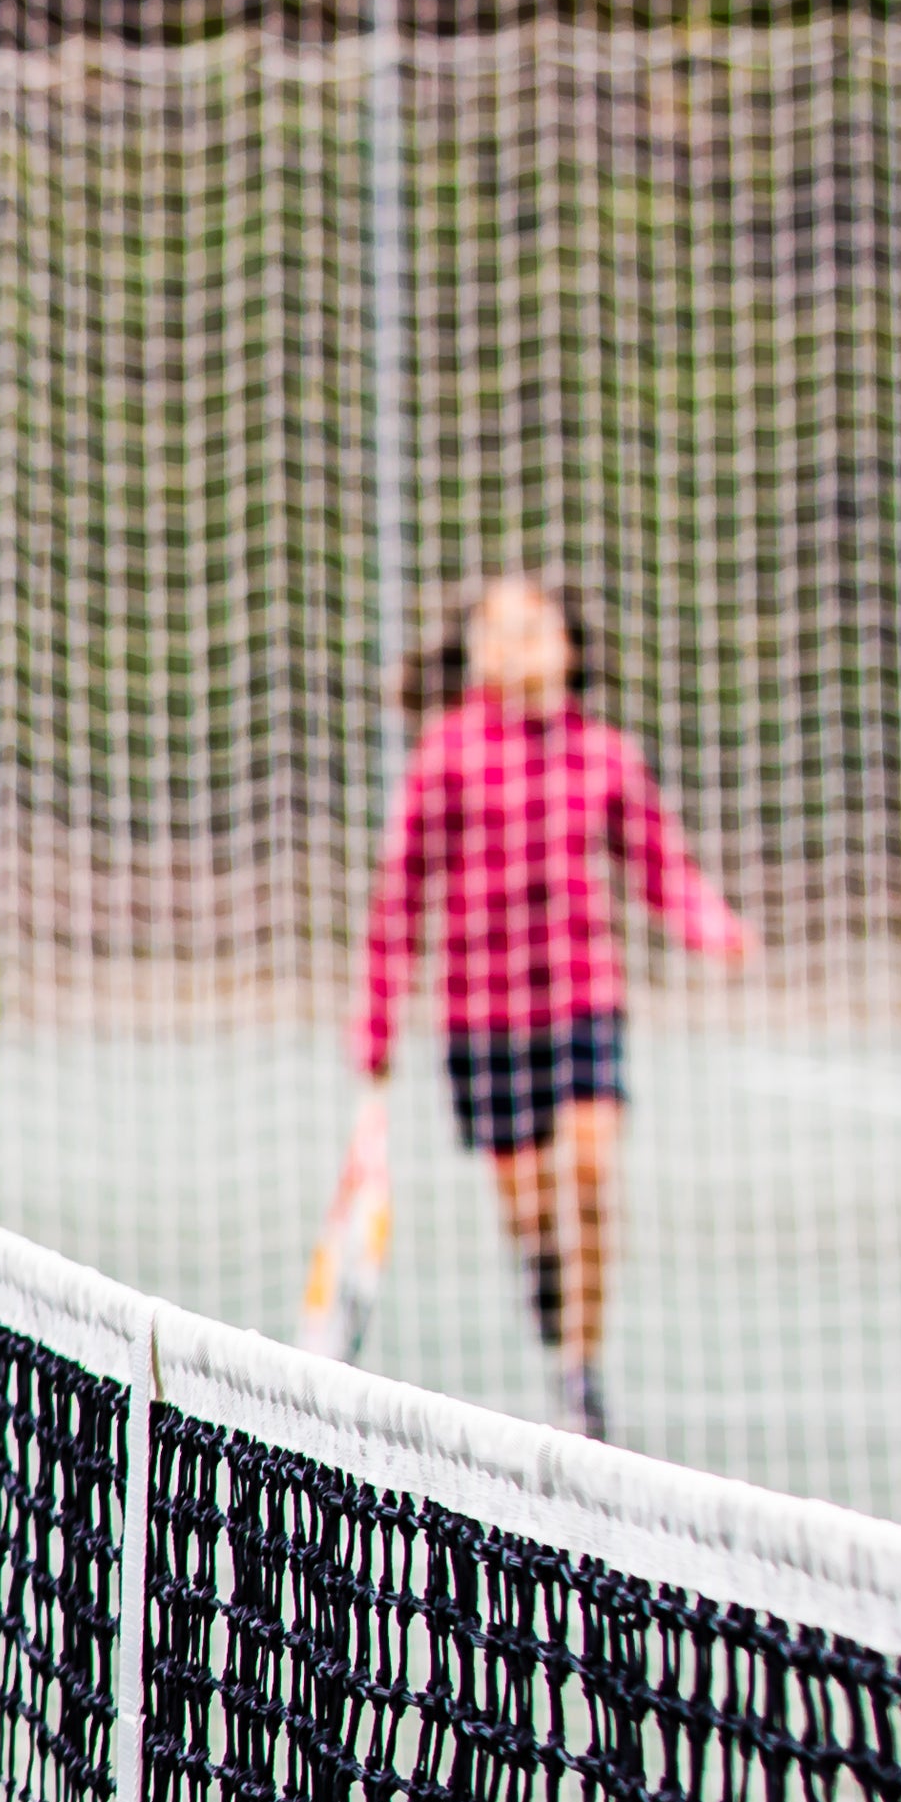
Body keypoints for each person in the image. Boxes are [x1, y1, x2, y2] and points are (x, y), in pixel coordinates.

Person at [357, 572, 748, 1441]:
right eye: (497, 634)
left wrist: (708, 923)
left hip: (581, 1004)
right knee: (531, 1204)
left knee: (593, 1176)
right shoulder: (446, 756)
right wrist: (378, 1019)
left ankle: (580, 1369)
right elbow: (400, 897)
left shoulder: (605, 756)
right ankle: (542, 1265)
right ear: (474, 657)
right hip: (481, 1020)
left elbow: (659, 864)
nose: (516, 648)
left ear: (569, 648)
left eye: (533, 630)